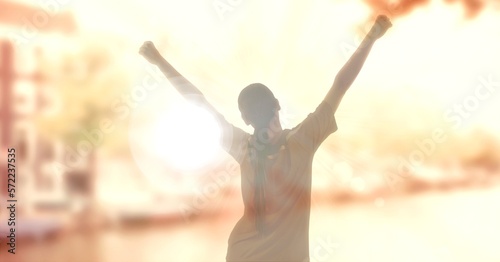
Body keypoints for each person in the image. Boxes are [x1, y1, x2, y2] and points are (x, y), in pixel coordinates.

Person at [139, 14, 392, 262]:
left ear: (246, 119)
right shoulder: (303, 140)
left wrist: (159, 61)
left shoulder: (243, 147)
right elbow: (340, 84)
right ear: (277, 105)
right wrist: (371, 37)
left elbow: (198, 101)